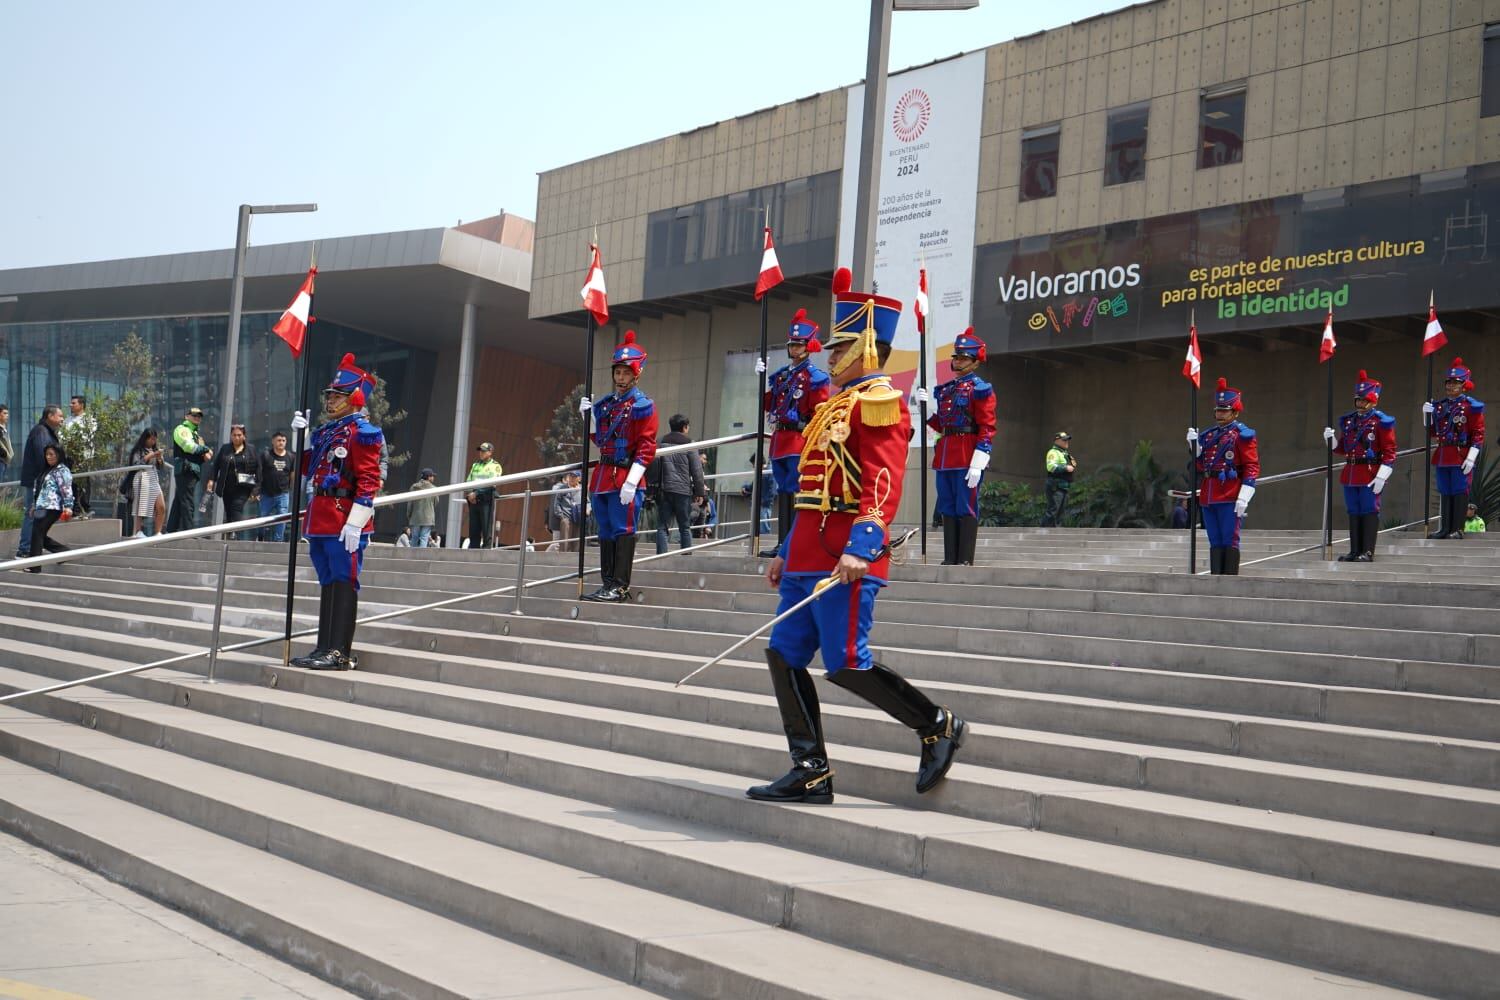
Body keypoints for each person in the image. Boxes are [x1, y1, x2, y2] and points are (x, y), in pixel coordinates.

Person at [749, 267, 965, 805]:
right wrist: (785, 547)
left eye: (841, 344)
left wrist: (863, 545)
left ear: (868, 346)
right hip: (807, 551)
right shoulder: (832, 405)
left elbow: (883, 480)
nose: (829, 353)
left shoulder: (879, 401)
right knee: (784, 653)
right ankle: (811, 769)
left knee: (846, 660)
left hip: (844, 550)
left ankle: (937, 723)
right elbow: (811, 485)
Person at [290, 354, 383, 671]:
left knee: (344, 580)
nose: (330, 401)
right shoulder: (326, 432)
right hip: (320, 517)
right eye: (329, 395)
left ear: (354, 399)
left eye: (337, 396)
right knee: (328, 581)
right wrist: (299, 438)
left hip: (344, 518)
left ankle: (340, 652)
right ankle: (323, 646)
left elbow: (370, 481)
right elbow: (306, 468)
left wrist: (356, 523)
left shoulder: (362, 433)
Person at [579, 329, 658, 602]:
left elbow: (647, 447)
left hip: (625, 475)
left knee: (622, 530)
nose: (620, 378)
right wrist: (588, 417)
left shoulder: (642, 406)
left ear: (637, 373)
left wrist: (633, 480)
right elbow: (600, 440)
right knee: (605, 531)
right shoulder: (608, 405)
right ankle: (607, 583)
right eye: (617, 372)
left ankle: (620, 587)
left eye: (626, 372)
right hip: (603, 476)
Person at [912, 328, 996, 565]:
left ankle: (965, 559)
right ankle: (950, 558)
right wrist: (925, 408)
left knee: (965, 506)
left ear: (975, 362)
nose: (957, 361)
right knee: (947, 506)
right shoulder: (947, 390)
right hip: (946, 456)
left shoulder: (980, 390)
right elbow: (941, 425)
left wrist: (979, 462)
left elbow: (987, 427)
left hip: (968, 455)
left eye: (962, 358)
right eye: (955, 357)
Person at [760, 308, 831, 553]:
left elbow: (819, 413)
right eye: (792, 344)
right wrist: (758, 379)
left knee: (797, 491)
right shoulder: (781, 377)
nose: (795, 349)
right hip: (780, 440)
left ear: (809, 345)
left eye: (800, 345)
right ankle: (783, 544)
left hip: (800, 440)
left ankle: (795, 545)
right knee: (784, 491)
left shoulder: (816, 377)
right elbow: (767, 405)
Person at [1188, 377, 1259, 575]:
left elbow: (1251, 466)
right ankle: (1216, 577)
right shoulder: (1208, 435)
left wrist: (1245, 493)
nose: (1219, 414)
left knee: (1229, 538)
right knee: (1215, 539)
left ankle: (1229, 579)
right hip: (1209, 494)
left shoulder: (1242, 435)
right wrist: (1194, 448)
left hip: (1230, 493)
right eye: (1218, 410)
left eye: (1224, 410)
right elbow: (1201, 465)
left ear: (1235, 412)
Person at [1324, 370, 1396, 562]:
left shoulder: (1381, 422)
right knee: (1353, 511)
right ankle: (1355, 550)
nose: (1360, 404)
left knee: (1369, 510)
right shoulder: (1349, 421)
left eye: (1364, 401)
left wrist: (1382, 476)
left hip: (1370, 472)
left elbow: (1389, 452)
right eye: (1358, 400)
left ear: (1373, 400)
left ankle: (1367, 551)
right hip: (1351, 472)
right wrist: (1330, 440)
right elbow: (1342, 448)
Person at [1426, 357, 1486, 539]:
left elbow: (1478, 434)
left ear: (1464, 385)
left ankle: (1457, 529)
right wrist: (1426, 416)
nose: (1451, 386)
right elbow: (1433, 432)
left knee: (1460, 491)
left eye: (1456, 383)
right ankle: (1445, 528)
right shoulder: (1440, 406)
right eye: (1449, 383)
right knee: (1446, 491)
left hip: (1462, 453)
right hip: (1444, 453)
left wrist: (1472, 456)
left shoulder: (1471, 407)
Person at [14, 405, 64, 559]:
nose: (62, 419)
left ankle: (36, 548)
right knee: (33, 514)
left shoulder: (46, 432)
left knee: (39, 516)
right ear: (50, 416)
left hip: (41, 480)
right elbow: (44, 456)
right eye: (60, 416)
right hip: (38, 481)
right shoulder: (41, 431)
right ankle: (25, 550)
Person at [653, 414, 706, 554]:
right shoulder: (690, 443)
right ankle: (686, 558)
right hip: (682, 491)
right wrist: (700, 492)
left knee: (662, 527)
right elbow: (697, 470)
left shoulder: (660, 441)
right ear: (685, 427)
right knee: (685, 526)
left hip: (664, 489)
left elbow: (653, 464)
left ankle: (660, 557)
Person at [202, 424, 259, 540]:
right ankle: (230, 532)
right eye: (234, 435)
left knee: (236, 507)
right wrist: (212, 480)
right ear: (230, 436)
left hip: (244, 486)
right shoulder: (225, 448)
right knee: (229, 510)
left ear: (244, 436)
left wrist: (256, 490)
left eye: (239, 435)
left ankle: (234, 533)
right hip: (227, 486)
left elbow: (258, 469)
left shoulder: (251, 449)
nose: (236, 438)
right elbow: (216, 465)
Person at [27, 444, 73, 569]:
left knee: (37, 533)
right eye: (47, 454)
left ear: (59, 454)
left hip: (53, 507)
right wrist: (34, 506)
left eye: (52, 454)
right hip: (42, 507)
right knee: (38, 534)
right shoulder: (47, 470)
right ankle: (64, 553)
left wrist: (68, 506)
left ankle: (34, 566)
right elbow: (39, 490)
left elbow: (66, 489)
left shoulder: (62, 470)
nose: (49, 457)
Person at [168, 406, 213, 532]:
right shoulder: (183, 429)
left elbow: (206, 457)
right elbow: (188, 447)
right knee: (187, 502)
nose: (197, 418)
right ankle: (189, 532)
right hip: (185, 469)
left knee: (179, 500)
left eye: (199, 416)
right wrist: (205, 449)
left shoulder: (195, 434)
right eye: (194, 415)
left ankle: (171, 530)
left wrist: (204, 451)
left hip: (192, 470)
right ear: (186, 417)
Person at [126, 428, 167, 537]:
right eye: (151, 439)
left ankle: (158, 531)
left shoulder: (154, 450)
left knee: (161, 506)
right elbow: (135, 465)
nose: (153, 442)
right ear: (145, 438)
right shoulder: (138, 450)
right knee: (140, 506)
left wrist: (159, 458)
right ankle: (138, 531)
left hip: (153, 478)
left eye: (154, 439)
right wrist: (151, 455)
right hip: (141, 477)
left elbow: (161, 467)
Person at [61, 395, 96, 518]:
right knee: (70, 482)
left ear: (81, 405)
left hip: (82, 456)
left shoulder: (89, 420)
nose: (71, 405)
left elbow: (86, 437)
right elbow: (62, 435)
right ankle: (74, 508)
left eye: (73, 403)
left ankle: (84, 507)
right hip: (69, 456)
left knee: (82, 482)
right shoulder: (68, 420)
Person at [464, 442, 503, 549]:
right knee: (473, 529)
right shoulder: (475, 465)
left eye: (483, 451)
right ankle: (473, 550)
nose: (481, 453)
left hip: (486, 498)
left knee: (486, 529)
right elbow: (468, 481)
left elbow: (492, 483)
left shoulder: (495, 466)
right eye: (480, 450)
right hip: (473, 500)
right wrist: (469, 494)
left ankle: (486, 551)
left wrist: (475, 493)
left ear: (490, 452)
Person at [257, 431, 294, 543]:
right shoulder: (266, 455)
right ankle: (260, 537)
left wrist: (290, 489)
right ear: (273, 442)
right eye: (278, 440)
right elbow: (259, 473)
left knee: (282, 517)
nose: (281, 443)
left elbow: (292, 474)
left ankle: (278, 541)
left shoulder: (291, 456)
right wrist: (257, 491)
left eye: (283, 440)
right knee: (263, 517)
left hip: (283, 493)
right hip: (266, 493)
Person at [1041, 431, 1076, 528]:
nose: (1067, 442)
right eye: (1064, 440)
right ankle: (1044, 533)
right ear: (1057, 441)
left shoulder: (1064, 453)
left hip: (1063, 486)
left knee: (1060, 511)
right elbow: (1051, 467)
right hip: (1055, 486)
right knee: (1053, 510)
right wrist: (1065, 468)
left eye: (1067, 440)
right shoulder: (1053, 452)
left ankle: (1055, 531)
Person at [547, 470, 581, 551]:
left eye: (574, 477)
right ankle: (563, 555)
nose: (572, 478)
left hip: (577, 517)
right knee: (562, 542)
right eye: (570, 476)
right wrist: (561, 515)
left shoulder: (581, 489)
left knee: (575, 541)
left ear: (579, 479)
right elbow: (556, 504)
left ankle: (574, 557)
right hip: (566, 517)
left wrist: (587, 509)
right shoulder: (562, 488)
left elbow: (588, 502)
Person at [409, 468, 438, 548]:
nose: (433, 478)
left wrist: (409, 515)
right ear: (429, 477)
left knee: (414, 537)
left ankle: (412, 557)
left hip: (415, 517)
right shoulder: (434, 489)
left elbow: (410, 503)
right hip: (428, 517)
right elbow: (436, 502)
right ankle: (420, 558)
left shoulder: (413, 487)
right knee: (424, 538)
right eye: (432, 476)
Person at [0, 404, 14, 484]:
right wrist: (5, 454)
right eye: (4, 413)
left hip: (4, 461)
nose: (7, 416)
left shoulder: (4, 428)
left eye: (7, 413)